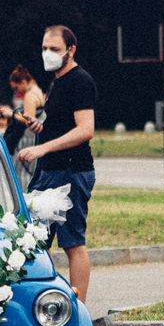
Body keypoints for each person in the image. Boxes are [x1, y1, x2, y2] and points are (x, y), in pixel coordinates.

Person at [16, 25, 96, 298]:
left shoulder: (80, 80)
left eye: (55, 49)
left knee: (73, 242)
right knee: (37, 240)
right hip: (51, 171)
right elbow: (62, 123)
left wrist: (43, 148)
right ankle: (45, 300)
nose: (47, 54)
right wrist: (42, 126)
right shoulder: (56, 81)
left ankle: (78, 309)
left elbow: (85, 129)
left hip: (72, 170)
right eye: (44, 49)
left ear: (71, 50)